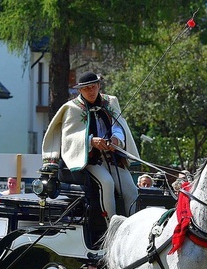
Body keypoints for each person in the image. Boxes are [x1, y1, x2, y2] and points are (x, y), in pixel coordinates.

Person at [41, 71, 139, 222]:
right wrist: (91, 141)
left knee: (131, 189)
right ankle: (111, 227)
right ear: (80, 90)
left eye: (94, 87)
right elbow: (69, 138)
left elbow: (119, 126)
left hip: (112, 157)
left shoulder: (110, 102)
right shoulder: (72, 108)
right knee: (107, 183)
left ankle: (134, 225)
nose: (91, 91)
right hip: (89, 160)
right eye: (86, 89)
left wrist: (116, 140)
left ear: (99, 86)